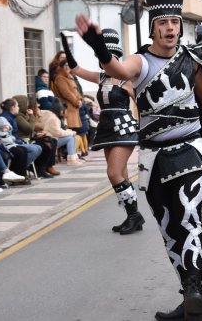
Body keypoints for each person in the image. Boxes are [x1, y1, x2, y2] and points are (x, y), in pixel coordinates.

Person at [75, 0, 202, 320]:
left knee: (190, 217)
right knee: (168, 224)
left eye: (176, 21)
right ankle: (191, 296)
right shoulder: (139, 62)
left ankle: (195, 293)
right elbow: (117, 69)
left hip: (189, 151)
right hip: (153, 159)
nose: (171, 27)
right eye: (164, 22)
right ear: (153, 26)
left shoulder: (191, 61)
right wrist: (98, 45)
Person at [61, 29, 144, 235]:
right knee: (121, 174)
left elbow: (143, 106)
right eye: (101, 58)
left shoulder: (126, 81)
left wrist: (144, 129)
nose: (105, 63)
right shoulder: (100, 78)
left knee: (114, 173)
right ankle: (132, 216)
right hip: (106, 128)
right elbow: (76, 69)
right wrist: (66, 49)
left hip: (123, 128)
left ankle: (134, 216)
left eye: (109, 58)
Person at [13, 95, 60, 178]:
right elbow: (29, 128)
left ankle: (47, 166)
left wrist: (36, 134)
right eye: (26, 103)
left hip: (29, 138)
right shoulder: (19, 117)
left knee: (52, 141)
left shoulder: (24, 114)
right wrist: (32, 116)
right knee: (46, 145)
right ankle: (40, 168)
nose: (27, 105)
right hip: (23, 140)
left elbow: (33, 128)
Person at [0, 98, 43, 178]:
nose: (18, 108)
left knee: (38, 147)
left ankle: (20, 169)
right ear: (12, 107)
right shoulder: (7, 117)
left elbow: (39, 127)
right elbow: (29, 129)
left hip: (17, 141)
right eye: (17, 106)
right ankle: (17, 171)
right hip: (11, 143)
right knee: (34, 149)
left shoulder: (13, 116)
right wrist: (32, 116)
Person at [53, 60, 83, 132]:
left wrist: (80, 99)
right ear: (61, 67)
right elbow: (66, 93)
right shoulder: (60, 78)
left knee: (76, 131)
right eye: (65, 65)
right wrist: (76, 101)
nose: (67, 67)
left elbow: (76, 91)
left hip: (74, 108)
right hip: (68, 108)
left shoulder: (70, 77)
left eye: (69, 65)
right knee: (70, 130)